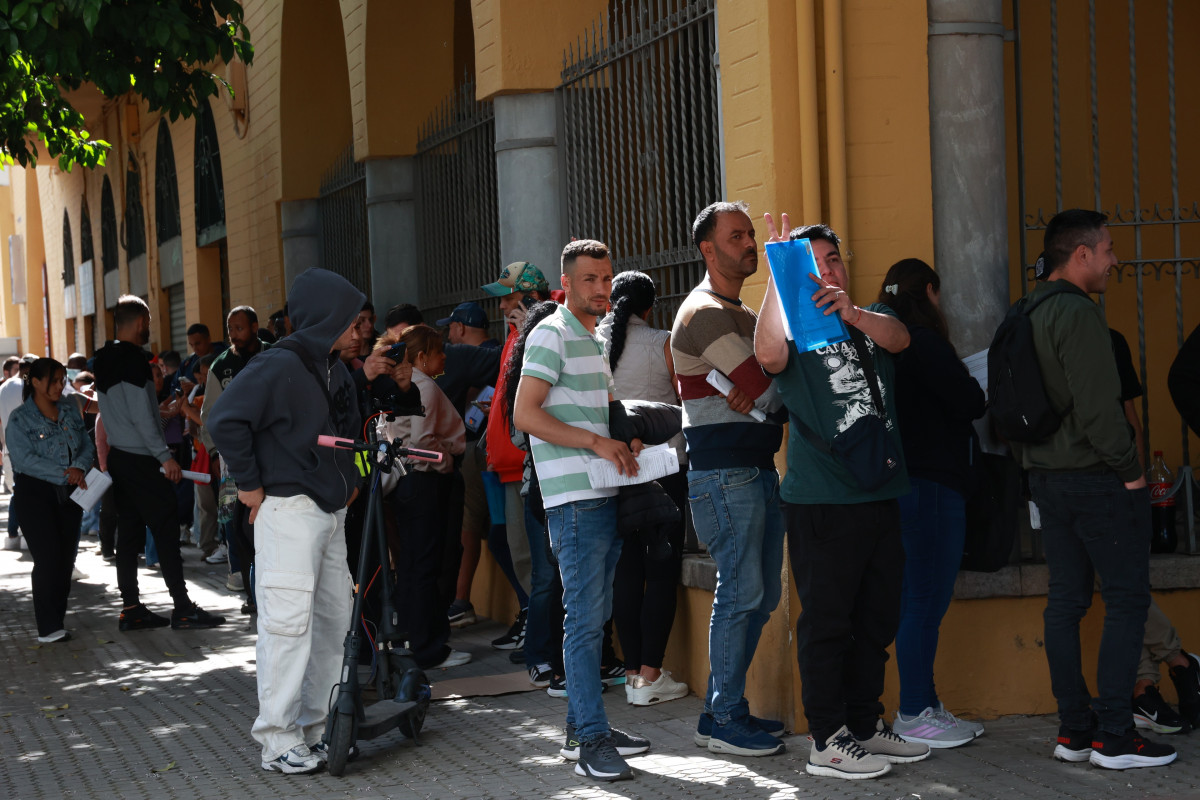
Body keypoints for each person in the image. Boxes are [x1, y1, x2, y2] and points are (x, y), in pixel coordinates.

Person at [208, 268, 408, 775]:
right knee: (287, 627)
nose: (360, 328)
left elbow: (344, 428)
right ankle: (278, 740)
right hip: (290, 512)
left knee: (331, 625)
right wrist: (249, 484)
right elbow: (224, 418)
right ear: (324, 317)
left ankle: (318, 730)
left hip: (328, 514)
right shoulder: (278, 365)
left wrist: (354, 480)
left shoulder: (333, 367)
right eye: (350, 319)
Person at [755, 216, 928, 779]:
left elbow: (900, 339)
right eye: (816, 263)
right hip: (821, 503)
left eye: (834, 259)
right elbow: (768, 356)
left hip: (881, 493)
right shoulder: (795, 326)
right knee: (827, 623)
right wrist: (781, 276)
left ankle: (863, 724)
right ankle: (826, 740)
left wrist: (853, 313)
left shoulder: (867, 321)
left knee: (876, 620)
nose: (829, 270)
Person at [1009, 208, 1174, 769]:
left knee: (1066, 602)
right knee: (1126, 599)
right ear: (1080, 254)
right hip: (1097, 480)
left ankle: (1075, 732)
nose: (1114, 259)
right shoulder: (1077, 314)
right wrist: (1132, 471)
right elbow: (1101, 409)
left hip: (1047, 480)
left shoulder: (1027, 309)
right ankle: (1116, 736)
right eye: (1106, 249)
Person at [514, 240, 650, 782]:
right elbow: (526, 413)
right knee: (585, 622)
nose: (602, 288)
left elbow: (597, 421)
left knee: (593, 618)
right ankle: (591, 737)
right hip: (573, 500)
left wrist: (623, 444)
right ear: (566, 284)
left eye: (607, 278)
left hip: (601, 492)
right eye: (591, 279)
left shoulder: (592, 338)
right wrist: (596, 446)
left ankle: (583, 729)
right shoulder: (552, 332)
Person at [671, 202, 788, 756]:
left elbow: (767, 388)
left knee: (758, 598)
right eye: (737, 236)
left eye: (751, 234)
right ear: (708, 250)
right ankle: (721, 717)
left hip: (753, 468)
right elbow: (770, 392)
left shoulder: (740, 313)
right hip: (725, 474)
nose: (750, 243)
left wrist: (765, 387)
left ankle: (728, 706)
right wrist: (766, 386)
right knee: (742, 594)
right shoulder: (704, 313)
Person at [872, 258, 987, 748]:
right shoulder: (926, 342)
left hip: (901, 485)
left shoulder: (883, 343)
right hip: (934, 485)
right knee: (925, 600)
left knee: (913, 598)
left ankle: (925, 703)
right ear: (931, 292)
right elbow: (970, 404)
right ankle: (916, 709)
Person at [93, 295, 225, 632]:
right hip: (142, 458)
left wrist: (160, 412)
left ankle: (132, 608)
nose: (149, 328)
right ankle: (182, 607)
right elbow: (138, 414)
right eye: (148, 321)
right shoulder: (135, 360)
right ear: (140, 322)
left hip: (122, 457)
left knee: (130, 533)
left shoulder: (104, 358)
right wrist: (164, 457)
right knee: (166, 529)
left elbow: (122, 410)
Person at [596, 271, 689, 706]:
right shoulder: (662, 341)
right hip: (664, 468)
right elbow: (686, 402)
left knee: (626, 571)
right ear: (649, 308)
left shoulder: (592, 344)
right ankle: (651, 675)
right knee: (663, 570)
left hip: (612, 471)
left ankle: (633, 672)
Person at [376, 325, 468, 669]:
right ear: (421, 356)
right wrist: (447, 458)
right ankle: (428, 648)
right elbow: (422, 442)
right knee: (427, 565)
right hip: (426, 481)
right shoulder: (422, 385)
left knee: (414, 564)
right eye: (439, 350)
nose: (444, 356)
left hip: (406, 483)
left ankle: (415, 641)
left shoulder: (399, 384)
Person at [485, 262, 556, 656]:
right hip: (508, 464)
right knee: (518, 552)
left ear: (530, 297)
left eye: (508, 298)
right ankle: (535, 625)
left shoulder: (538, 331)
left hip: (528, 462)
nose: (502, 307)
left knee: (533, 559)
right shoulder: (514, 333)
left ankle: (539, 635)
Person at [6, 357, 95, 643]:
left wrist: (79, 467)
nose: (60, 386)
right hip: (35, 495)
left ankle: (57, 618)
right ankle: (47, 626)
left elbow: (85, 444)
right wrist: (64, 473)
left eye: (62, 381)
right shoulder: (19, 419)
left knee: (65, 558)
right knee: (47, 558)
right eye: (54, 381)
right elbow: (24, 460)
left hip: (71, 491)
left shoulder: (69, 408)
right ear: (35, 382)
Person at [1, 354, 35, 549]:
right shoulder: (26, 386)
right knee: (28, 492)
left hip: (10, 447)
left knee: (18, 489)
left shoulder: (4, 387)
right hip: (28, 447)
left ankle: (13, 534)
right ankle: (25, 536)